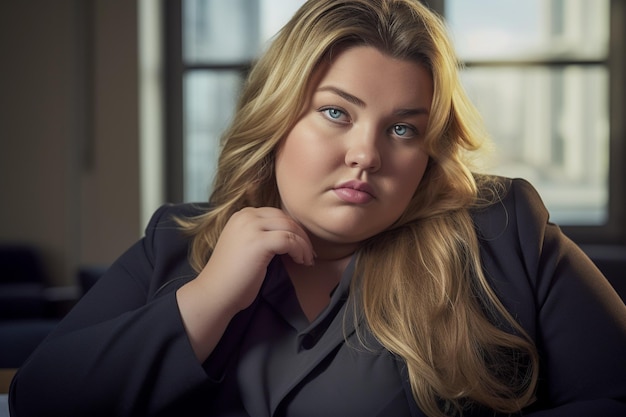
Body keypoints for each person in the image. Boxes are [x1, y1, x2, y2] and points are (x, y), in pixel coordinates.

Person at [9, 0, 626, 416]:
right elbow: (41, 399)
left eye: (403, 130)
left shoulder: (501, 228)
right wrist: (209, 299)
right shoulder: (176, 240)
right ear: (278, 119)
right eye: (336, 113)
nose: (367, 155)